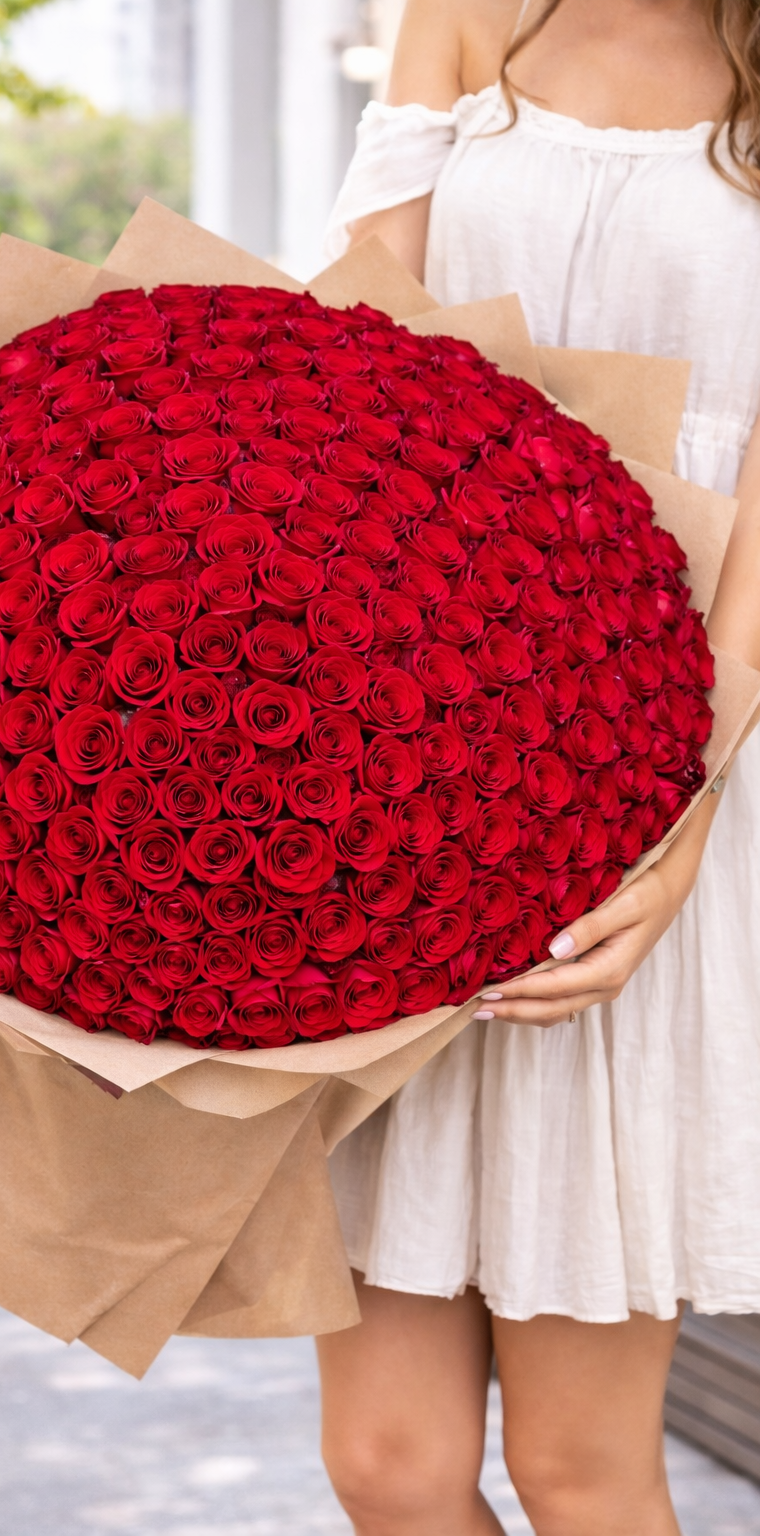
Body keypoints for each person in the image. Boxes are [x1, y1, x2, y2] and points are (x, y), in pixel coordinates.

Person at [317, 2, 760, 1532]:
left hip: (676, 768)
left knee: (578, 1473)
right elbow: (355, 355)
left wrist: (688, 811)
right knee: (391, 1467)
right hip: (421, 760)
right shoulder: (462, 13)